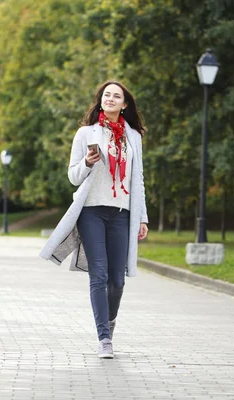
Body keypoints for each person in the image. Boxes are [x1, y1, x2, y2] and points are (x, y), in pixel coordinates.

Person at [40, 80, 148, 359]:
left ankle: (109, 324)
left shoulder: (133, 137)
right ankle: (104, 338)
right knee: (98, 275)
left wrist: (142, 218)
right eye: (106, 95)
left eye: (117, 96)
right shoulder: (86, 133)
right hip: (91, 211)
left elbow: (138, 180)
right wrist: (87, 163)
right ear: (100, 101)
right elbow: (73, 176)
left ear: (125, 105)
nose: (110, 99)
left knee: (118, 281)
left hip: (121, 213)